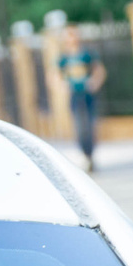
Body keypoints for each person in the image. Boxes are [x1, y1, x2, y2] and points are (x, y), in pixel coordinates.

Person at [56, 33, 108, 168]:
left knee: (90, 125)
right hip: (74, 95)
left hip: (88, 96)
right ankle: (85, 153)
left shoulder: (87, 54)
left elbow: (99, 70)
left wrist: (94, 83)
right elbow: (54, 74)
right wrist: (62, 85)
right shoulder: (64, 57)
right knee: (79, 127)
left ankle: (91, 155)